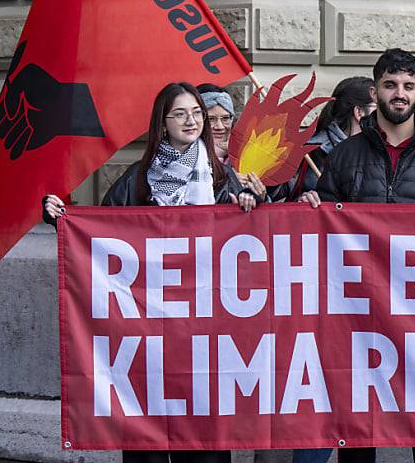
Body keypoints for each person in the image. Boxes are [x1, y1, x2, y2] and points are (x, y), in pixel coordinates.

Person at [43, 82, 259, 463]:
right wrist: (61, 218)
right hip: (149, 332)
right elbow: (100, 234)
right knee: (148, 441)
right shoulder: (136, 181)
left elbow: (256, 236)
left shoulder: (223, 179)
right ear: (162, 124)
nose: (191, 120)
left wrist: (252, 201)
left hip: (205, 333)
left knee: (204, 441)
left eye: (196, 113)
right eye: (180, 113)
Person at [298, 48, 415, 463]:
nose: (400, 94)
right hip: (360, 316)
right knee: (359, 427)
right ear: (375, 91)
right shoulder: (344, 156)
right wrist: (310, 209)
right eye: (391, 85)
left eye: (408, 87)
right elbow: (325, 232)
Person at [267, 76, 376, 202]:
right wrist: (303, 202)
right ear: (359, 112)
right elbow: (271, 195)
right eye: (377, 107)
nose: (382, 114)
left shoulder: (381, 149)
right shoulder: (310, 152)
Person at [198, 82, 267, 199]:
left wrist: (261, 197)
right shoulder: (185, 157)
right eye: (211, 119)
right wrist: (229, 180)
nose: (219, 126)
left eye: (225, 118)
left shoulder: (247, 154)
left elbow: (272, 206)